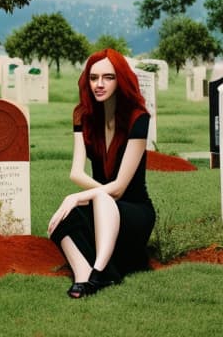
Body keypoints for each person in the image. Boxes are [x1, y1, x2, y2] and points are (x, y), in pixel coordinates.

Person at [48, 48, 156, 298]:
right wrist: (91, 198)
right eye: (94, 77)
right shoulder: (82, 117)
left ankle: (100, 271)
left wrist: (80, 196)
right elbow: (76, 172)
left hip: (134, 211)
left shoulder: (137, 119)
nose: (99, 84)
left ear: (121, 80)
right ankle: (85, 276)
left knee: (101, 200)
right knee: (60, 222)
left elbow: (119, 188)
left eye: (108, 77)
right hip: (104, 206)